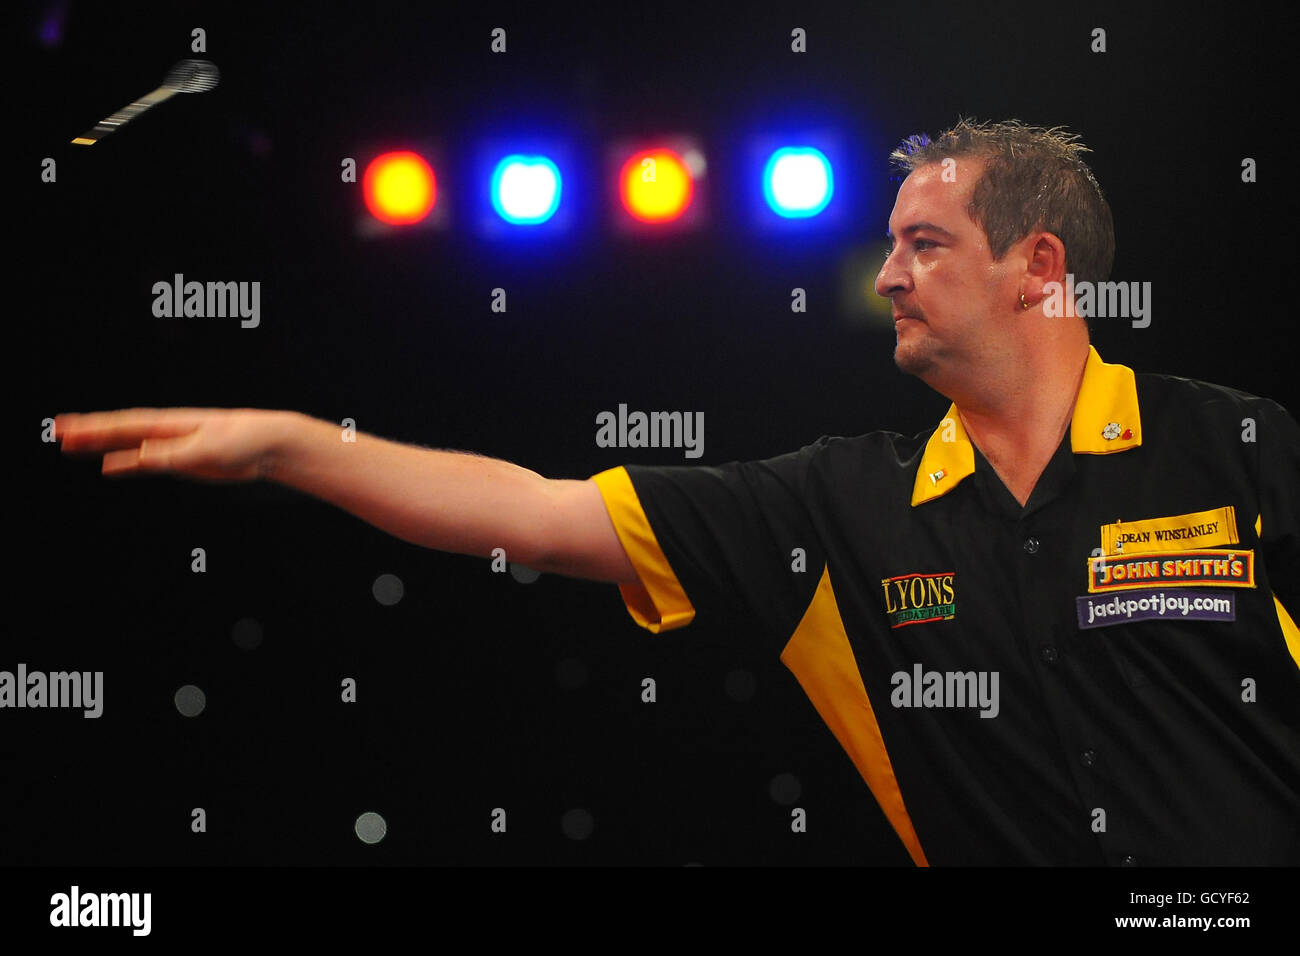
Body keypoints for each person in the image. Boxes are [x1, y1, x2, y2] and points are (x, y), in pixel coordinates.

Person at [55, 118, 1300, 865]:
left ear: (1038, 266)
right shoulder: (834, 505)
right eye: (887, 246)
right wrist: (290, 444)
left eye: (923, 243)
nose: (889, 276)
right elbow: (534, 512)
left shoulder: (1242, 449)